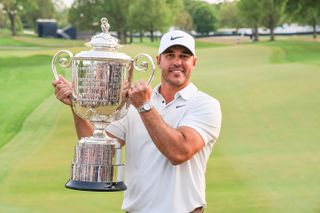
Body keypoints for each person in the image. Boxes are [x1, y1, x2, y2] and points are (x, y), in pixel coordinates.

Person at [52, 30, 222, 213]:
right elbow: (97, 149)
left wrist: (143, 106)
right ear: (159, 60)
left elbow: (178, 152)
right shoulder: (133, 103)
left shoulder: (205, 104)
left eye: (184, 56)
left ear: (194, 62)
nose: (177, 62)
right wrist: (77, 107)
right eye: (170, 55)